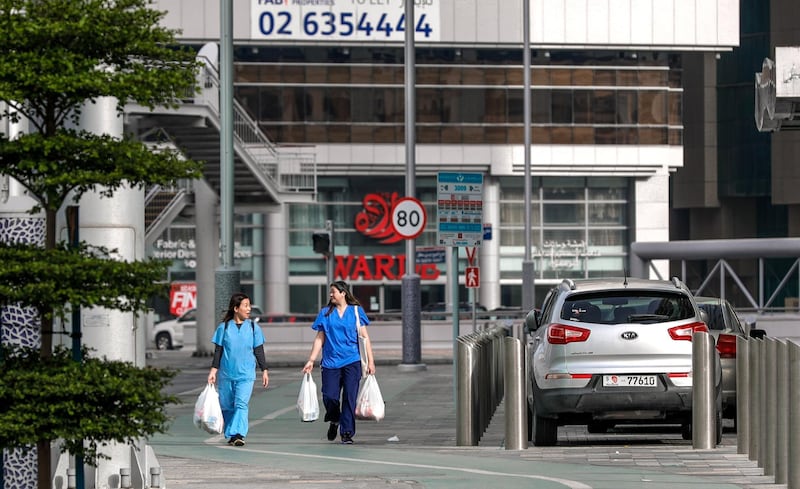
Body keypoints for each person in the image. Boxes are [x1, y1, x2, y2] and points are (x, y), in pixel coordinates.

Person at [302, 280, 375, 444]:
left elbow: (364, 337)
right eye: (330, 292)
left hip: (352, 361)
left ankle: (347, 432)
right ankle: (334, 420)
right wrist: (311, 359)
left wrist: (371, 361)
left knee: (350, 397)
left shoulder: (356, 311)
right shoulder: (326, 313)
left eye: (333, 292)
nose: (331, 295)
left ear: (343, 293)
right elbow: (320, 338)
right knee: (330, 396)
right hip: (330, 363)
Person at [207, 292, 269, 447]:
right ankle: (232, 434)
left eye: (249, 306)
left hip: (246, 375)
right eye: (245, 306)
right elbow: (218, 351)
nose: (249, 309)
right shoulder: (224, 328)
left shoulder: (254, 327)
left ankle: (239, 434)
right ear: (236, 308)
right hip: (227, 374)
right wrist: (213, 371)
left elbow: (259, 350)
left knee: (241, 404)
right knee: (227, 406)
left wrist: (264, 370)